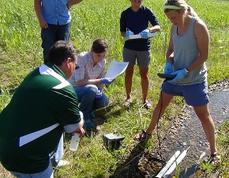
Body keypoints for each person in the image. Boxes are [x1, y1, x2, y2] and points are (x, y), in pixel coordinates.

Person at [135, 0, 220, 164]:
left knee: (203, 115)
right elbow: (171, 50)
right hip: (174, 77)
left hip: (194, 79)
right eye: (169, 19)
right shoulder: (175, 26)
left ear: (183, 11)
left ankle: (213, 151)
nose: (172, 21)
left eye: (174, 17)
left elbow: (204, 55)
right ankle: (149, 132)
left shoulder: (198, 27)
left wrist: (186, 71)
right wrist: (169, 62)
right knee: (161, 105)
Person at [0, 41, 85, 177]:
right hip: (24, 154)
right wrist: (80, 116)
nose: (74, 70)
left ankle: (54, 161)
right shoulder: (62, 88)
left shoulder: (38, 72)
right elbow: (75, 127)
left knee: (58, 120)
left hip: (2, 137)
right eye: (75, 67)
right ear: (68, 61)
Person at [120, 0, 160, 109]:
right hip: (129, 48)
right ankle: (128, 97)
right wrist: (126, 34)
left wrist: (149, 30)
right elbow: (122, 32)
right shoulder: (125, 13)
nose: (136, 1)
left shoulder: (146, 11)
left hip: (144, 48)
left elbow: (157, 26)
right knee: (129, 73)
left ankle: (144, 99)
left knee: (144, 74)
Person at [68, 39, 115, 128]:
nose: (101, 59)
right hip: (74, 89)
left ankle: (85, 110)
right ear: (92, 50)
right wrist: (101, 81)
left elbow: (99, 77)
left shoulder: (102, 61)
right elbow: (79, 82)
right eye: (98, 56)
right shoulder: (82, 58)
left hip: (90, 89)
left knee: (104, 101)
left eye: (103, 56)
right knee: (91, 89)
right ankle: (84, 118)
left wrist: (100, 89)